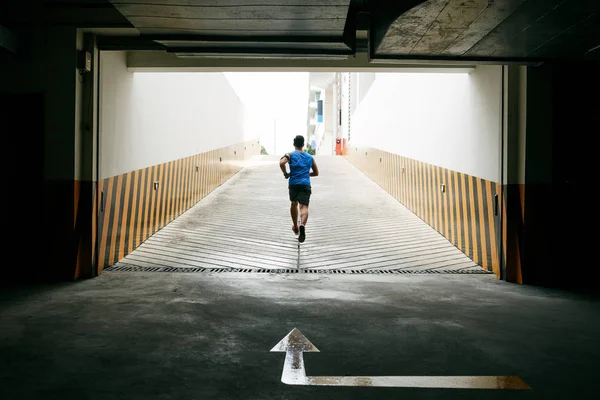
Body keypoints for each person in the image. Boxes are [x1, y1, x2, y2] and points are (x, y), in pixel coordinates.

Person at [279, 135, 319, 243]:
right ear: (303, 144)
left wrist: (286, 173)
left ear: (294, 144)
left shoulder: (290, 155)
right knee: (304, 207)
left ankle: (295, 226)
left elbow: (281, 163)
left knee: (293, 204)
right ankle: (302, 225)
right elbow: (316, 173)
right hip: (305, 185)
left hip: (293, 184)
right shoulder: (310, 157)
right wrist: (306, 174)